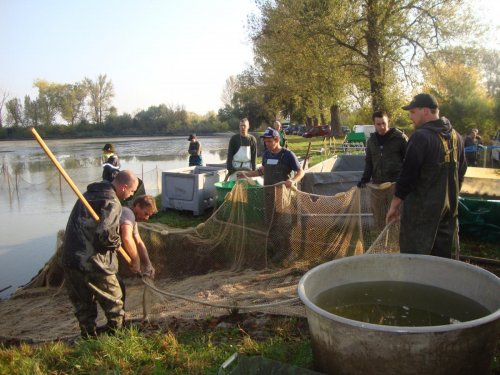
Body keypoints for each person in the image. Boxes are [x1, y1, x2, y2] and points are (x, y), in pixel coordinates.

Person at [386, 93, 467, 258]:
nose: (410, 116)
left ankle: (414, 283)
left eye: (413, 112)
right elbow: (461, 171)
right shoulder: (456, 137)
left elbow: (408, 175)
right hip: (448, 212)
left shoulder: (421, 137)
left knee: (414, 260)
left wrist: (394, 205)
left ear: (425, 111)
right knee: (440, 260)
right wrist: (451, 196)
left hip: (421, 215)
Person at [62, 170, 139, 337]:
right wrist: (117, 242)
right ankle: (116, 338)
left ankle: (89, 339)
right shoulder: (112, 201)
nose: (131, 195)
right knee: (115, 303)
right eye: (132, 191)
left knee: (83, 306)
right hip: (93, 262)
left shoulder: (88, 195)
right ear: (124, 187)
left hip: (70, 260)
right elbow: (105, 235)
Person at [238, 127, 304, 263]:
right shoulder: (267, 155)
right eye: (265, 142)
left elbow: (300, 171)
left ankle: (289, 251)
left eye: (269, 141)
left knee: (284, 223)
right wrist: (246, 175)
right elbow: (262, 171)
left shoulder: (287, 155)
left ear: (277, 140)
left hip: (282, 195)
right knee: (271, 223)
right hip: (268, 194)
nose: (267, 144)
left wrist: (292, 180)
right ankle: (277, 250)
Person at [357, 110, 408, 230]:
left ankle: (396, 239)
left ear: (388, 122)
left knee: (395, 214)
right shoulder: (371, 141)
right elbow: (369, 162)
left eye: (384, 123)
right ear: (374, 124)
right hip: (377, 185)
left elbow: (409, 161)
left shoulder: (400, 138)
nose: (382, 127)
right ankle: (381, 239)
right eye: (378, 124)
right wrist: (365, 178)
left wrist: (404, 179)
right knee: (379, 215)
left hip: (395, 185)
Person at [119, 195, 157, 307]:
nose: (146, 218)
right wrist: (136, 260)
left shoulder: (133, 221)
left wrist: (148, 265)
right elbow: (127, 237)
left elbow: (138, 241)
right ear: (137, 206)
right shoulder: (127, 213)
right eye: (146, 213)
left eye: (149, 215)